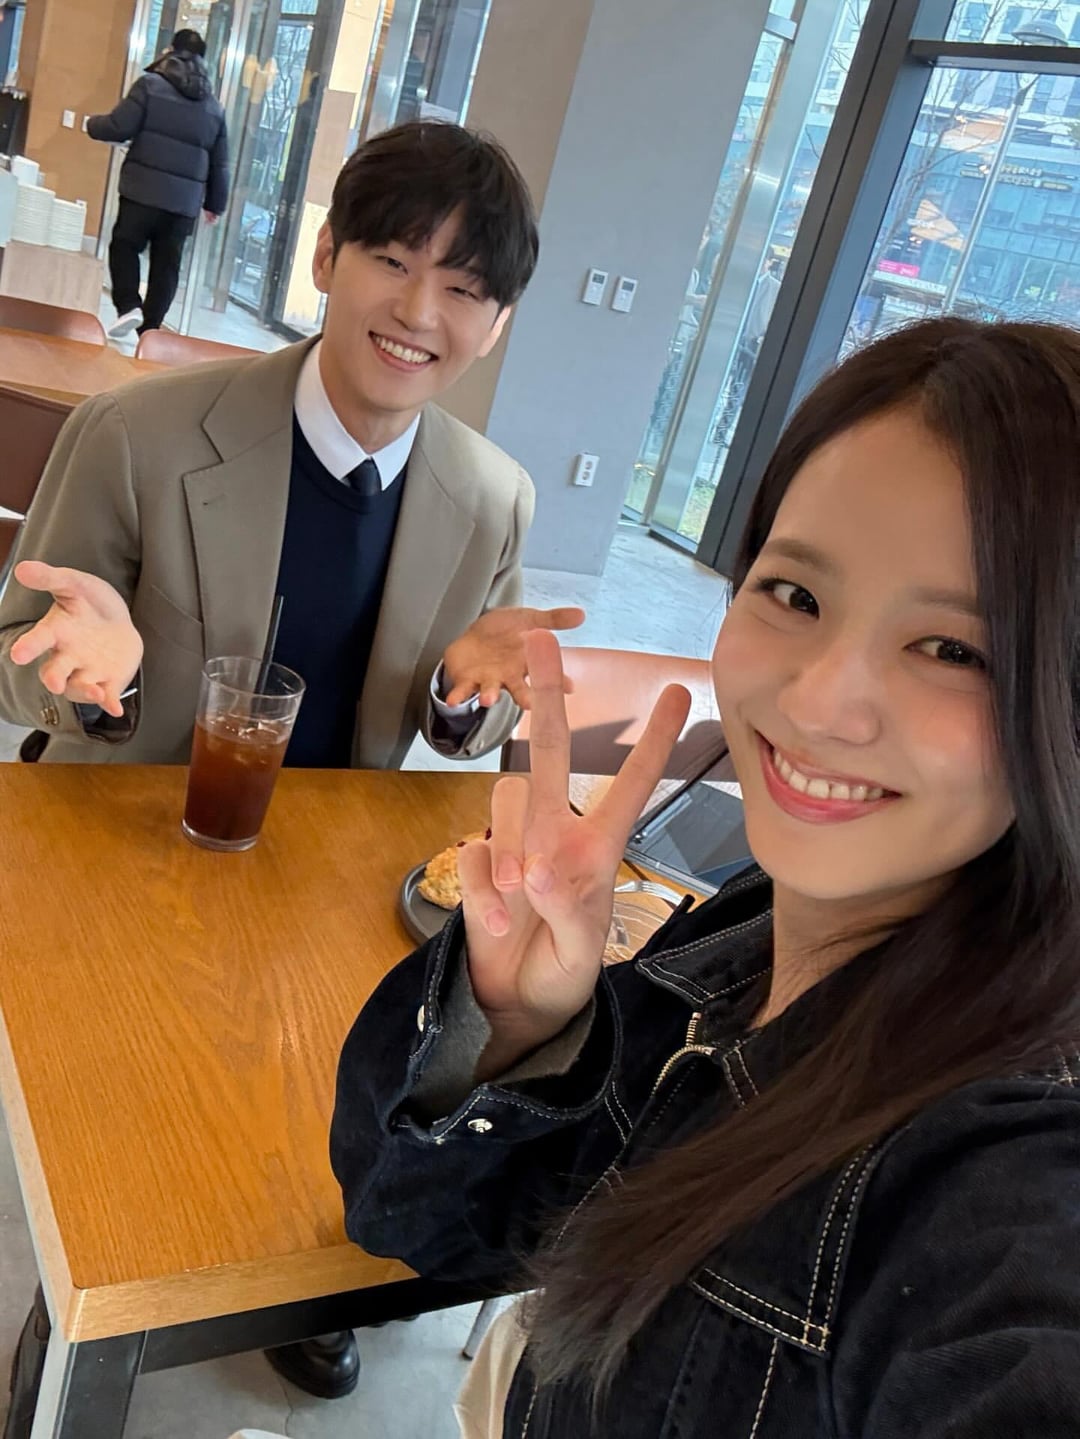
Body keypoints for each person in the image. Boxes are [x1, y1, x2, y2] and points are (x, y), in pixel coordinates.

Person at [330, 317, 1080, 1437]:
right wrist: (512, 1025)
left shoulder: (1010, 1183)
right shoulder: (739, 938)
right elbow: (414, 1228)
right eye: (796, 594)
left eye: (955, 649)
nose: (818, 701)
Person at [0, 121, 578, 785]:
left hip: (329, 838)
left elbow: (479, 699)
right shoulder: (133, 436)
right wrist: (90, 682)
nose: (418, 313)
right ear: (326, 255)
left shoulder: (493, 499)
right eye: (393, 263)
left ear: (496, 325)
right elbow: (11, 662)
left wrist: (460, 691)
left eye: (463, 290)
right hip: (125, 823)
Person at [87, 28, 229, 338]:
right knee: (167, 265)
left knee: (125, 245)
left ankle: (129, 306)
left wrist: (90, 124)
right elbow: (220, 162)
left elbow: (118, 126)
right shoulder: (214, 108)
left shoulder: (150, 86)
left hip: (142, 192)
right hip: (183, 205)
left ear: (169, 50)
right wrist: (215, 204)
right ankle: (150, 332)